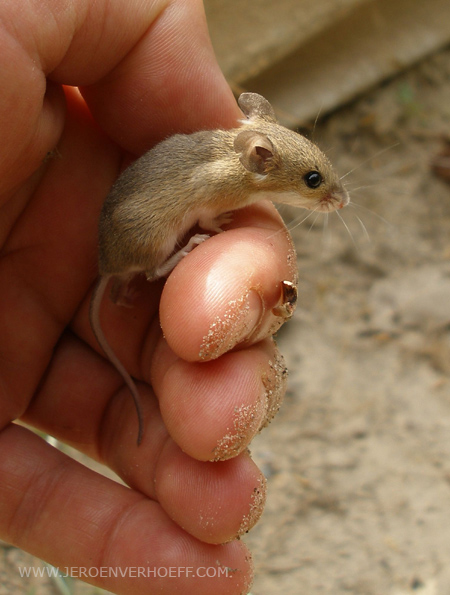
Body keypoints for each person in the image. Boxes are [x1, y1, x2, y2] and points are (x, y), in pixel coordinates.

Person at [0, 0, 295, 592]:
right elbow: (199, 200)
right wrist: (184, 249)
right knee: (170, 239)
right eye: (312, 184)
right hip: (136, 240)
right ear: (260, 162)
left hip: (125, 224)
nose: (320, 195)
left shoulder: (238, 158)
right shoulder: (232, 173)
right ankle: (163, 261)